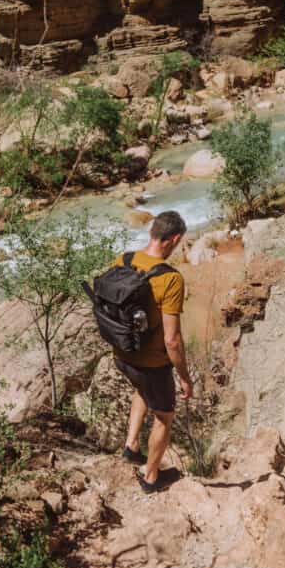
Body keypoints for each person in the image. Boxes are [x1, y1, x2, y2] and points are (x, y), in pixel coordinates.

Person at [113, 210, 193, 493]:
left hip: (122, 355)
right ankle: (151, 478)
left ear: (151, 232)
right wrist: (184, 376)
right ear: (175, 239)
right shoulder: (171, 279)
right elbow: (172, 340)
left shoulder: (123, 260)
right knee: (164, 416)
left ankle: (131, 446)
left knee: (142, 389)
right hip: (152, 363)